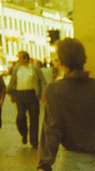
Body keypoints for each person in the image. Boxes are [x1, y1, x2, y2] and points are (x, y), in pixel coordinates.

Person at [38, 38, 95, 171]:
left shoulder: (55, 90)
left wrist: (44, 164)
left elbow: (52, 128)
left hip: (72, 162)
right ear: (83, 59)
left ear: (62, 62)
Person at [8, 50, 47, 149]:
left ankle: (34, 141)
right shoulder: (17, 68)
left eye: (20, 58)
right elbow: (12, 81)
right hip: (20, 95)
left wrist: (42, 94)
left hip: (32, 94)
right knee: (20, 117)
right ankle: (24, 134)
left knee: (34, 118)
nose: (19, 60)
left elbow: (42, 80)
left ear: (26, 59)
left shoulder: (34, 68)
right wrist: (11, 94)